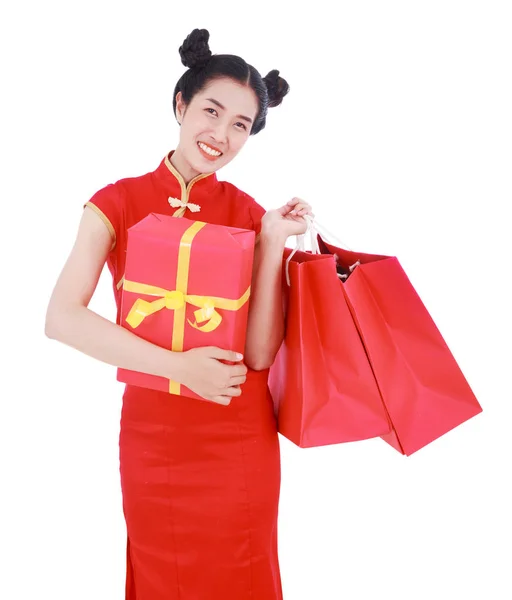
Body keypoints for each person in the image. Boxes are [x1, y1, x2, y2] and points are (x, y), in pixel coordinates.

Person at [45, 27, 314, 600]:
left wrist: (270, 242)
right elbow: (62, 317)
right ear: (180, 104)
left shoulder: (247, 212)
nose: (221, 134)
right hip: (155, 437)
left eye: (240, 125)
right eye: (211, 111)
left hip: (238, 434)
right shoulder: (114, 202)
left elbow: (262, 354)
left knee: (246, 574)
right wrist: (179, 367)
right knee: (162, 574)